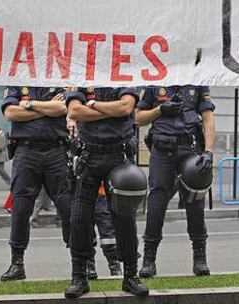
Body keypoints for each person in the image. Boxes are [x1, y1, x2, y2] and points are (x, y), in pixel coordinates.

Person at [64, 86, 149, 298]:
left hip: (118, 156)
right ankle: (79, 277)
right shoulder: (83, 75)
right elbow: (74, 111)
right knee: (79, 218)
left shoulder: (121, 73)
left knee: (124, 219)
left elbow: (126, 107)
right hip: (88, 156)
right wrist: (110, 111)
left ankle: (130, 276)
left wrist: (92, 105)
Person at [135, 86, 215, 278]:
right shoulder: (155, 80)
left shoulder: (196, 79)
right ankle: (148, 260)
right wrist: (160, 110)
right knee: (156, 203)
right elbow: (137, 118)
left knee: (195, 203)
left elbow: (207, 117)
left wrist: (209, 152)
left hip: (190, 148)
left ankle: (200, 258)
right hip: (162, 150)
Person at [0, 86, 71, 281]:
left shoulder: (59, 81)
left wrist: (30, 105)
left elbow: (64, 108)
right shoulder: (17, 83)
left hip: (56, 151)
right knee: (21, 208)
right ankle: (17, 263)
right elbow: (10, 113)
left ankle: (81, 261)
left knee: (67, 207)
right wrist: (48, 109)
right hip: (26, 151)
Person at [87, 183, 122, 279]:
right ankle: (89, 266)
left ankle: (115, 267)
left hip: (101, 193)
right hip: (86, 193)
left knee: (108, 235)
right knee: (85, 232)